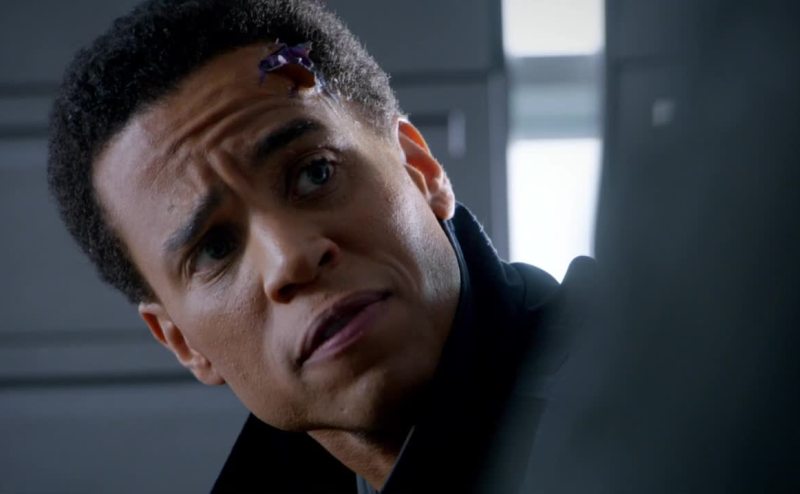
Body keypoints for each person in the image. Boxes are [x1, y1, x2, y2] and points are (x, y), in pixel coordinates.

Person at [48, 0, 595, 492]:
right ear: (182, 342)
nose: (291, 258)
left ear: (420, 168)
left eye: (315, 173)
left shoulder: (638, 401)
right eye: (215, 249)